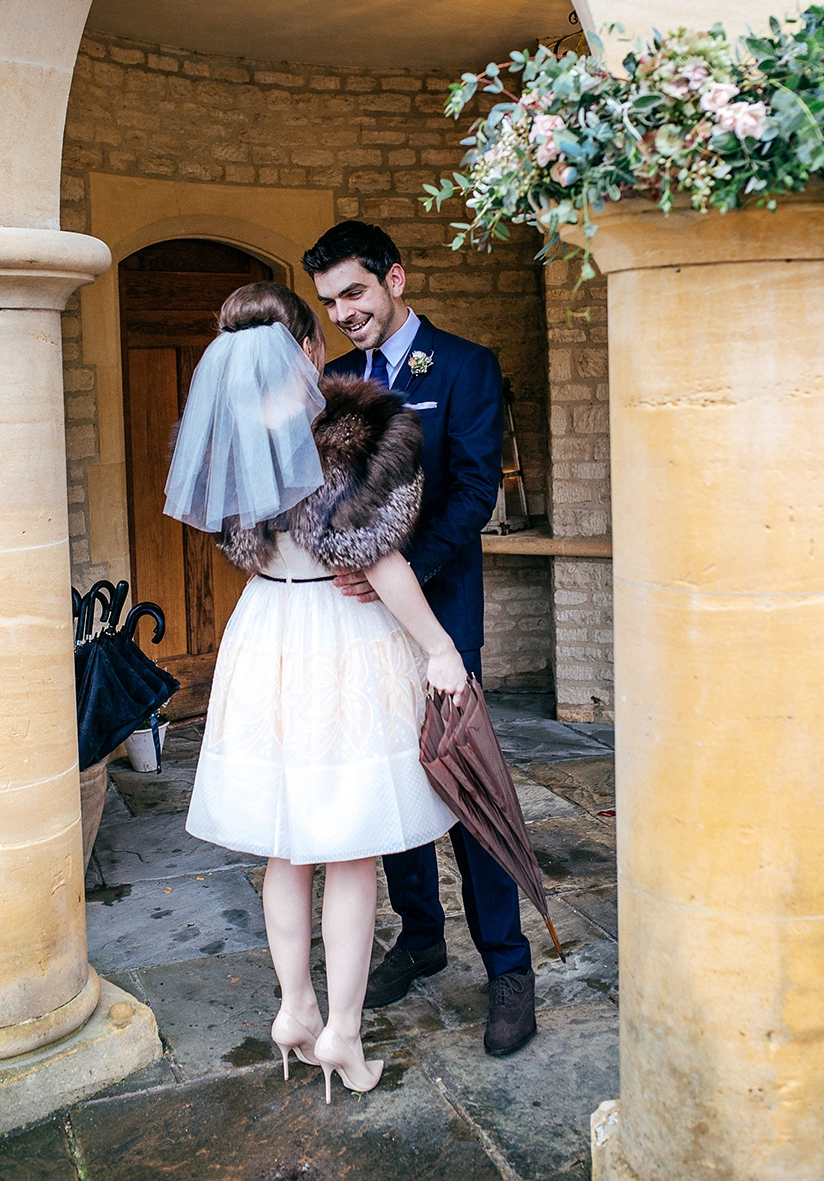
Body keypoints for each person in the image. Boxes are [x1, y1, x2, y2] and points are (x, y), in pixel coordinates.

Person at [164, 281, 465, 1102]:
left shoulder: (229, 440)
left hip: (266, 633)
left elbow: (243, 546)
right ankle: (342, 1032)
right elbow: (379, 560)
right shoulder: (350, 439)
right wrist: (439, 649)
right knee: (352, 846)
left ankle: (294, 1009)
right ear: (306, 351)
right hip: (341, 635)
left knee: (287, 844)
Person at [302, 221, 537, 1057]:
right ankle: (422, 936)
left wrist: (389, 565)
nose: (345, 313)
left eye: (356, 293)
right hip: (360, 624)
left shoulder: (465, 366)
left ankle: (509, 966)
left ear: (395, 278)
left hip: (442, 612)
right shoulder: (331, 380)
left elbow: (475, 492)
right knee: (385, 779)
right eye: (330, 303)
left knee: (465, 784)